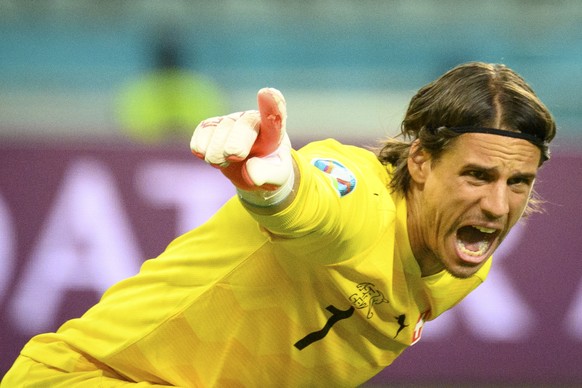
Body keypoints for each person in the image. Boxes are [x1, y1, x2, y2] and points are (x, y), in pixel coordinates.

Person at [2, 62, 556, 387]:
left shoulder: (463, 266)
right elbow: (316, 204)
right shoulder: (360, 195)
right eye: (476, 176)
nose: (496, 205)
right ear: (419, 162)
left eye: (517, 183)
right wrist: (277, 187)